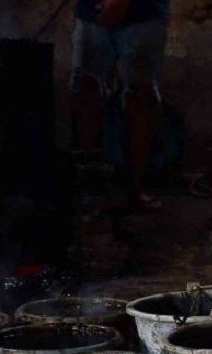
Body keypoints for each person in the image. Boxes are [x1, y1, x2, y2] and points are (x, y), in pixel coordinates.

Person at [70, 0, 170, 210]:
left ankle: (134, 190)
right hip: (92, 13)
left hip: (143, 15)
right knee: (86, 90)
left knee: (139, 95)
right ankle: (90, 192)